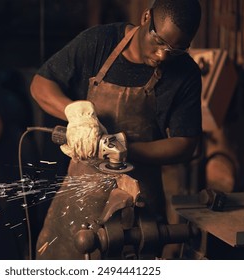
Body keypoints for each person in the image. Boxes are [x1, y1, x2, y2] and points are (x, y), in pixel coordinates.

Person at [30, 0, 202, 260]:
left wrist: (124, 149)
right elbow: (40, 85)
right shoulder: (99, 42)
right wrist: (76, 113)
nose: (163, 55)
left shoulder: (185, 73)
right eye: (159, 42)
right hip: (81, 191)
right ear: (146, 18)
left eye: (177, 49)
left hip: (138, 199)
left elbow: (185, 143)